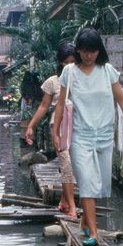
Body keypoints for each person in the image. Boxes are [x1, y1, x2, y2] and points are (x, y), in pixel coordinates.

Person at [52, 27, 123, 246]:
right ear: (79, 50)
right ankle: (93, 231)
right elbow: (61, 103)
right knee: (88, 183)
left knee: (100, 185)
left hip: (104, 135)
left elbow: (122, 99)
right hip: (80, 136)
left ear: (99, 51)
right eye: (85, 51)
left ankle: (84, 221)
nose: (89, 55)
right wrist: (56, 131)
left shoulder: (107, 70)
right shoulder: (69, 72)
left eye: (93, 51)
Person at [24, 43, 78, 214]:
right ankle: (72, 206)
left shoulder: (83, 78)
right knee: (67, 163)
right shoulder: (53, 82)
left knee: (73, 165)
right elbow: (43, 106)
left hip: (78, 126)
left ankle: (64, 200)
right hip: (58, 125)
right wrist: (31, 126)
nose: (70, 65)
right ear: (61, 63)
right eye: (66, 62)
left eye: (73, 61)